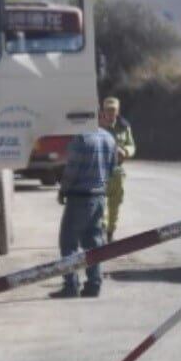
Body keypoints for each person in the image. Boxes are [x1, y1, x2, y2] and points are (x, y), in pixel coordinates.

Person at [52, 123, 117, 299]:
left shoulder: (81, 138)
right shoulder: (109, 138)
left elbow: (72, 170)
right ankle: (94, 284)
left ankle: (71, 285)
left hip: (80, 197)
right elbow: (112, 168)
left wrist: (63, 189)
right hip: (99, 197)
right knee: (93, 242)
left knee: (68, 242)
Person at [100, 97, 135, 243]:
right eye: (108, 110)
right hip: (100, 171)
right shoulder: (96, 127)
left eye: (113, 110)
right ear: (103, 111)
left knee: (115, 204)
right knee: (99, 204)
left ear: (117, 111)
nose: (110, 113)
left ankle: (110, 233)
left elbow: (132, 145)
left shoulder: (124, 127)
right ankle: (101, 230)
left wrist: (126, 151)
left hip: (117, 172)